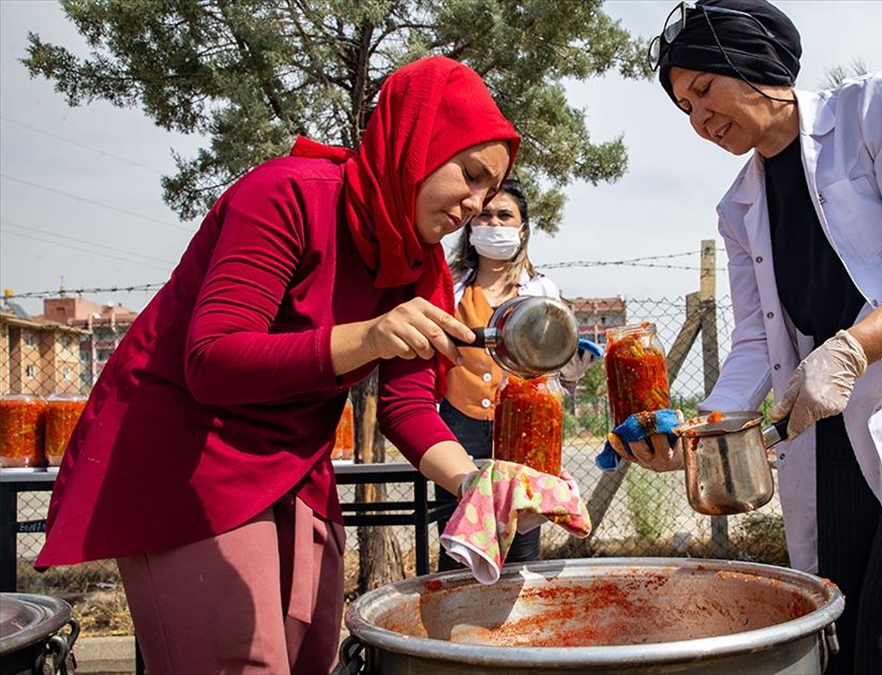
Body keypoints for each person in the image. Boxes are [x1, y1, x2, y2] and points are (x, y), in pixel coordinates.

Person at [35, 56, 521, 674]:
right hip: (188, 456)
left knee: (308, 653)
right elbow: (212, 359)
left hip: (294, 466)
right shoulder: (288, 194)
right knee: (241, 663)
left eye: (489, 190)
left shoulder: (422, 268)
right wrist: (368, 336)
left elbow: (406, 405)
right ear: (416, 143)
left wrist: (474, 484)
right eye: (470, 174)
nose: (476, 204)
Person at [609, 2, 882, 673]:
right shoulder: (738, 207)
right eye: (684, 110)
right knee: (835, 639)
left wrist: (853, 346)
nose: (698, 121)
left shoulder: (871, 114)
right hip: (831, 431)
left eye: (702, 91)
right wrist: (702, 436)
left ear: (751, 63)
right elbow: (755, 341)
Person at [436, 178, 598, 571]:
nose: (493, 223)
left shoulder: (542, 290)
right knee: (459, 536)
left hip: (528, 425)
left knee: (522, 534)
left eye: (504, 215)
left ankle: (516, 625)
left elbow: (557, 364)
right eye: (485, 214)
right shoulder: (449, 286)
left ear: (522, 228)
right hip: (461, 422)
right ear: (471, 225)